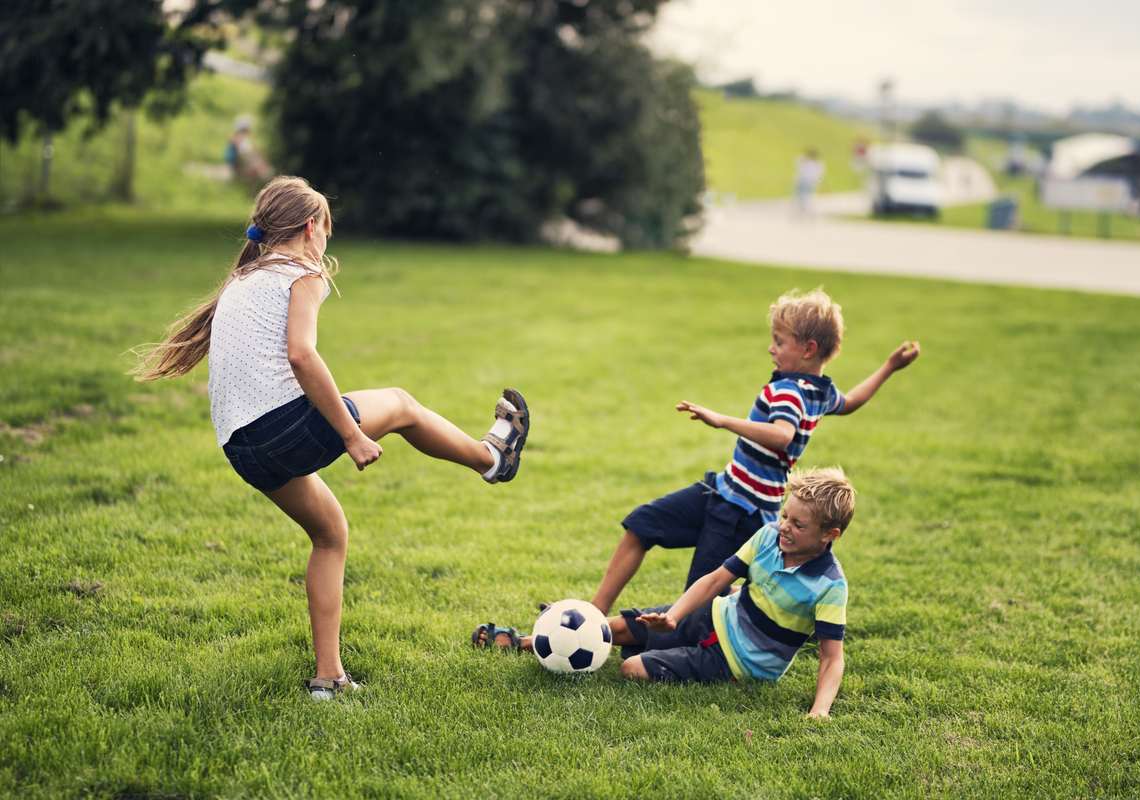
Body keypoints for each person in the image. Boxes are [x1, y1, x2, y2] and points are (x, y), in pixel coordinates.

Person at [131, 176, 530, 700]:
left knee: (330, 533)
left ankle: (329, 679)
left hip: (241, 448)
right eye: (327, 231)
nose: (327, 243)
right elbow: (301, 354)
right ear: (310, 227)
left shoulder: (243, 280)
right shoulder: (302, 271)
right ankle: (490, 459)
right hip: (284, 428)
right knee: (403, 404)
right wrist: (350, 434)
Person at [585, 287, 917, 616]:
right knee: (644, 523)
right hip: (723, 490)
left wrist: (723, 420)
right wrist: (889, 367)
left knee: (698, 598)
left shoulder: (791, 392)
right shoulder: (821, 391)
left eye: (779, 341)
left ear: (808, 348)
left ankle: (770, 600)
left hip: (742, 513)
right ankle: (595, 611)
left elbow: (782, 435)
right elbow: (851, 403)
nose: (770, 348)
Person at [474, 466, 855, 718]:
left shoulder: (830, 586)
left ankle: (655, 652)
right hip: (714, 615)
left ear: (829, 534)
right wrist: (675, 615)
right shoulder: (769, 536)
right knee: (619, 627)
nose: (784, 527)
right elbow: (714, 581)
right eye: (784, 515)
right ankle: (526, 640)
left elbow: (830, 658)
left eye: (798, 525)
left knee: (631, 668)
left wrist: (819, 711)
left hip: (739, 664)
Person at [794, 149, 825, 217]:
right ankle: (801, 210)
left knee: (810, 197)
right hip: (803, 181)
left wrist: (817, 181)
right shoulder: (805, 162)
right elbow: (798, 162)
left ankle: (809, 211)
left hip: (811, 183)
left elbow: (820, 174)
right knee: (801, 196)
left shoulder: (818, 164)